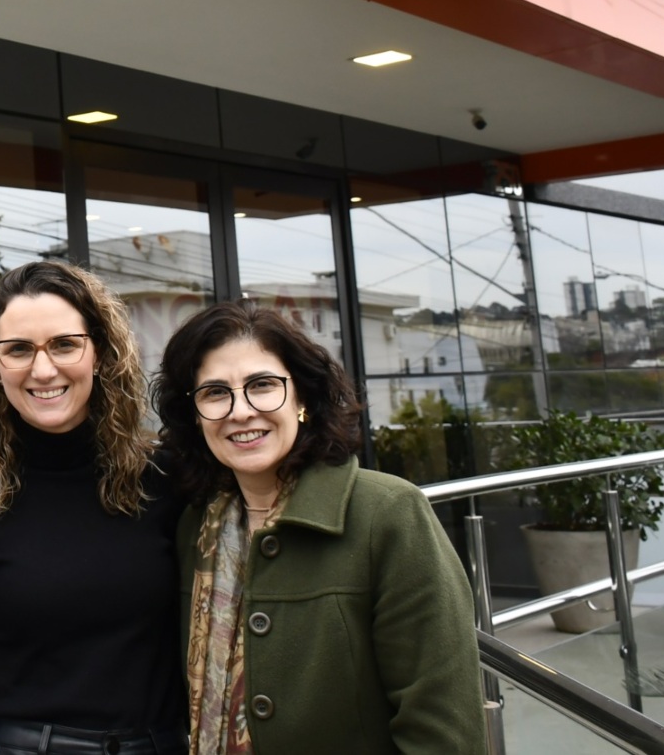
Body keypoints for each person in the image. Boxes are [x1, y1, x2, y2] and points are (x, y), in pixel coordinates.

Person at [153, 301, 483, 755]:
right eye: (214, 393)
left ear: (303, 398)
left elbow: (444, 730)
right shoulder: (195, 527)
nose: (240, 411)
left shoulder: (388, 515)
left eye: (262, 385)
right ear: (195, 415)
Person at [0, 261, 187, 755]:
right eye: (18, 349)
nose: (43, 370)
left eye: (64, 345)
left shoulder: (165, 478)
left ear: (100, 354)